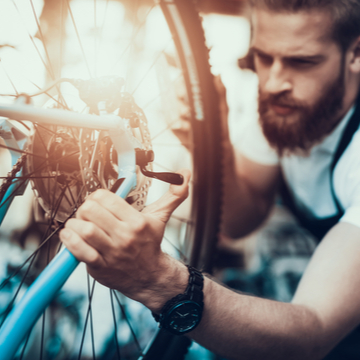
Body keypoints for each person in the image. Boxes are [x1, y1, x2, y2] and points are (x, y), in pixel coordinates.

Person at [60, 0, 360, 359]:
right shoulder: (288, 107)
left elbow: (311, 335)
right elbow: (242, 216)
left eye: (302, 62)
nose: (274, 81)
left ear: (356, 53)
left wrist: (159, 280)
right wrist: (214, 143)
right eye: (262, 58)